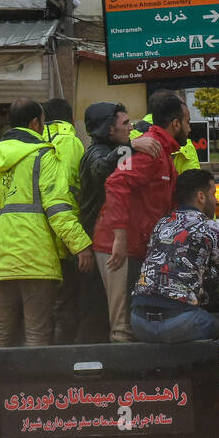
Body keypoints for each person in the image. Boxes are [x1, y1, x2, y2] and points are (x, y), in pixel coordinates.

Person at [0, 97, 93, 347]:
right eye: (43, 121)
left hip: (0, 257)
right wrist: (80, 245)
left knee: (1, 330)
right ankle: (34, 386)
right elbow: (58, 209)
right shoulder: (43, 155)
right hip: (35, 257)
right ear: (35, 123)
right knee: (36, 331)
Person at [92, 90, 186, 342]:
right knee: (122, 327)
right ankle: (122, 381)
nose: (189, 128)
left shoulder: (163, 152)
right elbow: (115, 184)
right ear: (175, 124)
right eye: (187, 122)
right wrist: (120, 238)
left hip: (134, 245)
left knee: (132, 322)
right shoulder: (152, 151)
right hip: (117, 246)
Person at [131, 169, 219, 343]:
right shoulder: (213, 229)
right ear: (201, 197)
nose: (215, 200)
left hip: (139, 321)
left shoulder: (161, 224)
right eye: (213, 194)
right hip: (179, 322)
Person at [41, 97, 92, 344]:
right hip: (64, 243)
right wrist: (77, 242)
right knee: (65, 308)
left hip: (37, 242)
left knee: (41, 312)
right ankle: (62, 364)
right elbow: (65, 195)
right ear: (71, 119)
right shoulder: (70, 141)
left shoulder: (36, 140)